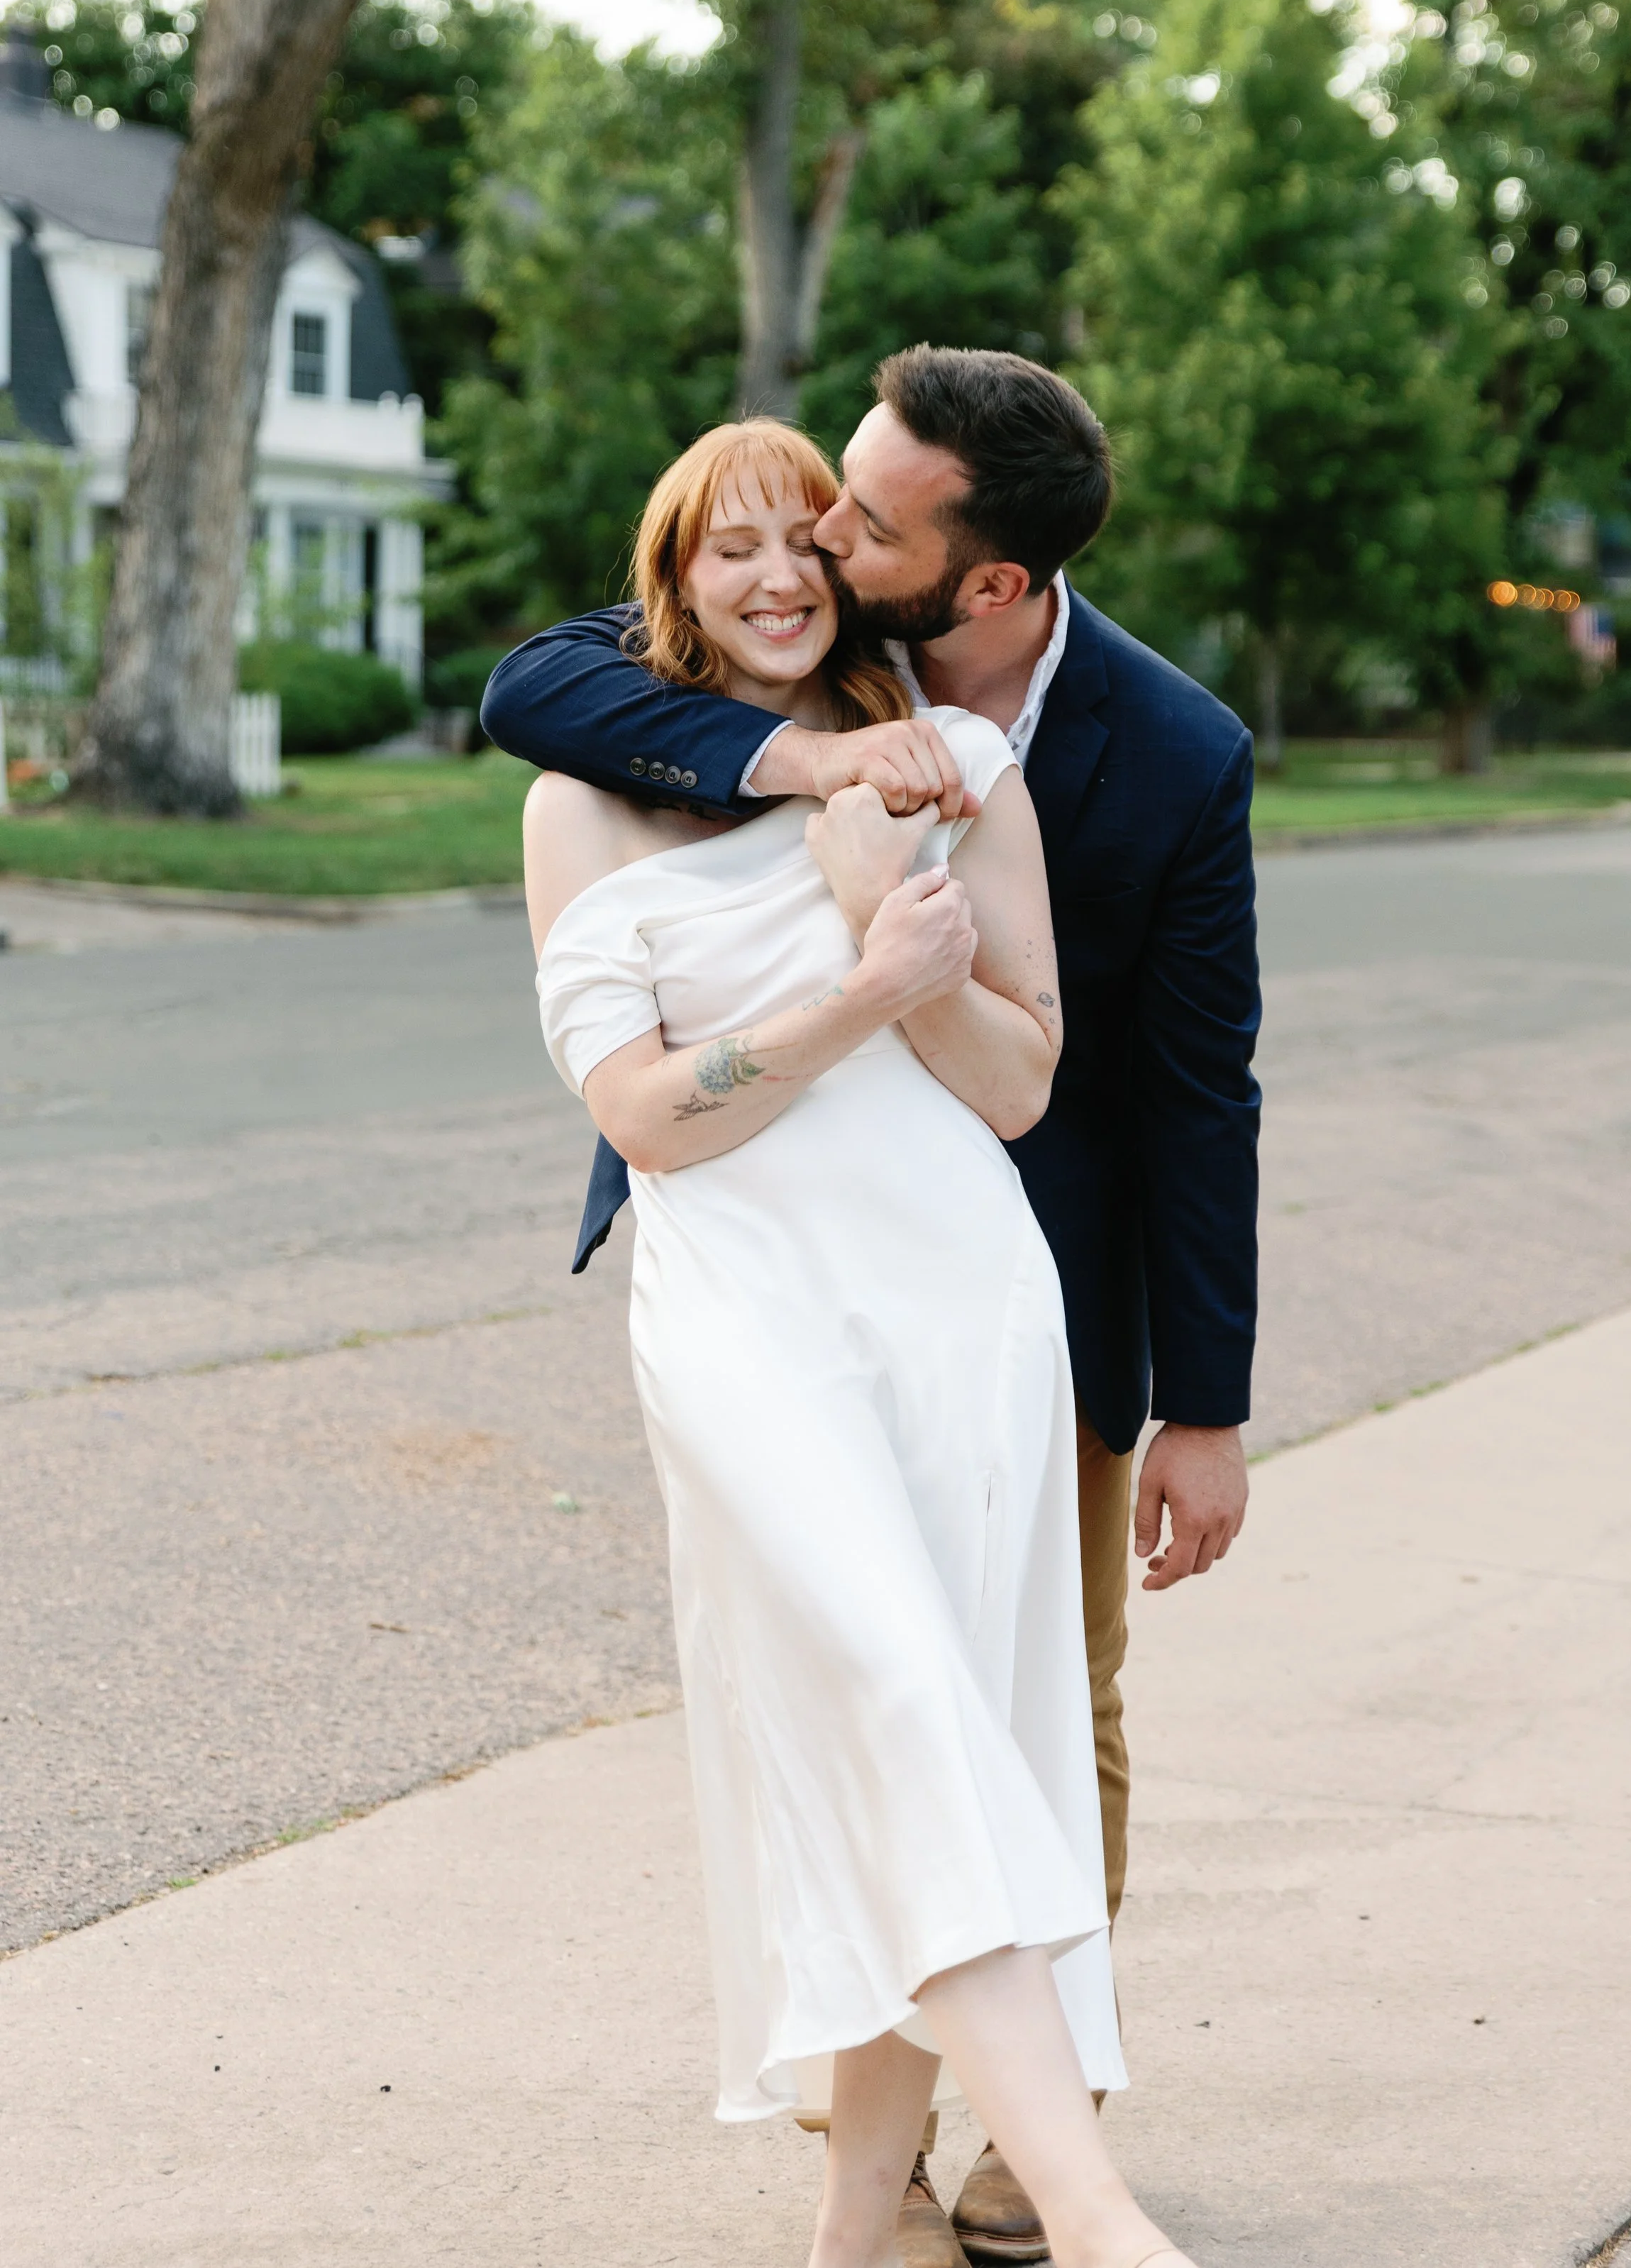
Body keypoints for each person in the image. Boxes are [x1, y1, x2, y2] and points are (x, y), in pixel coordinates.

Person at [490, 349, 1261, 2265]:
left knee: (1020, 1698)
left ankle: (953, 2174)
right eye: (766, 524)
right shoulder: (649, 733)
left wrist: (1200, 1397)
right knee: (885, 1692)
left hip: (996, 1278)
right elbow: (536, 685)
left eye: (847, 523)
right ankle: (1070, 2211)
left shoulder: (1137, 750)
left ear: (973, 580)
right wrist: (834, 834)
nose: (810, 543)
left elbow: (1171, 1086)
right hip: (752, 1288)